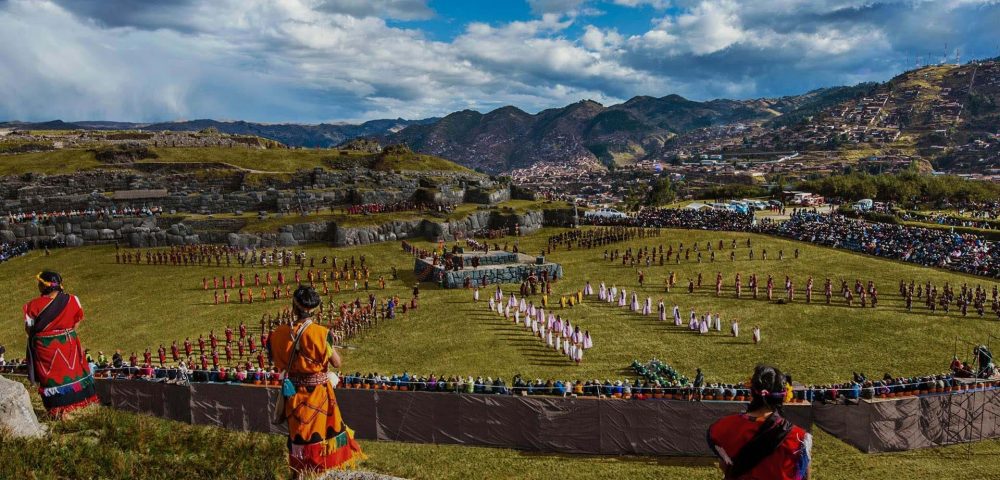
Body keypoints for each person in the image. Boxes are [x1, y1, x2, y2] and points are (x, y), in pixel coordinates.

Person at [268, 286, 364, 475]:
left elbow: (276, 360)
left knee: (297, 437)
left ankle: (298, 474)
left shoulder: (278, 334)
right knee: (319, 438)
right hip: (317, 395)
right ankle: (317, 474)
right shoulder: (321, 333)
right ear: (314, 309)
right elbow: (336, 362)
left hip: (293, 394)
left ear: (294, 307)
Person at [707, 364, 812, 480]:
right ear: (784, 396)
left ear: (751, 392)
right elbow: (803, 476)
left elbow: (724, 464)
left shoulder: (723, 427)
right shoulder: (798, 438)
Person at [23, 271, 98, 417]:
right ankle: (81, 407)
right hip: (68, 342)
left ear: (44, 286)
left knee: (52, 378)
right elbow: (77, 321)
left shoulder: (31, 306)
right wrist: (66, 332)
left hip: (45, 348)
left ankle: (57, 411)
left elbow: (29, 329)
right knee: (74, 373)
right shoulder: (73, 300)